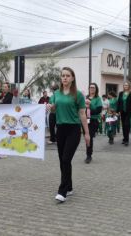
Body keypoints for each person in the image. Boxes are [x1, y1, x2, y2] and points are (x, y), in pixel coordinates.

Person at [48, 67, 90, 203]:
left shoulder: (78, 95)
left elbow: (82, 114)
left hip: (74, 129)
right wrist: (51, 107)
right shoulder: (56, 94)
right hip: (60, 129)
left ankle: (63, 191)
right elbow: (53, 109)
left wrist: (87, 133)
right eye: (62, 76)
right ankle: (70, 186)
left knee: (66, 159)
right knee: (63, 160)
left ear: (72, 78)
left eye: (67, 75)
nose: (64, 78)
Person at [84, 83, 103, 164]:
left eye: (93, 87)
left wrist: (90, 105)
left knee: (90, 137)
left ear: (96, 89)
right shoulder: (85, 98)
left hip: (94, 120)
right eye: (90, 87)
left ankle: (89, 155)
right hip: (85, 120)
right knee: (86, 137)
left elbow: (98, 110)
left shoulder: (98, 99)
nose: (91, 88)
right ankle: (88, 153)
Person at [117, 82, 131, 146]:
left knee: (126, 124)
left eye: (126, 85)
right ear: (123, 86)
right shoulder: (121, 93)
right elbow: (119, 102)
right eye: (124, 85)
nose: (125, 86)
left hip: (129, 111)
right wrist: (117, 111)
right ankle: (124, 138)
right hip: (122, 111)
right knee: (123, 125)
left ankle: (127, 140)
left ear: (129, 86)